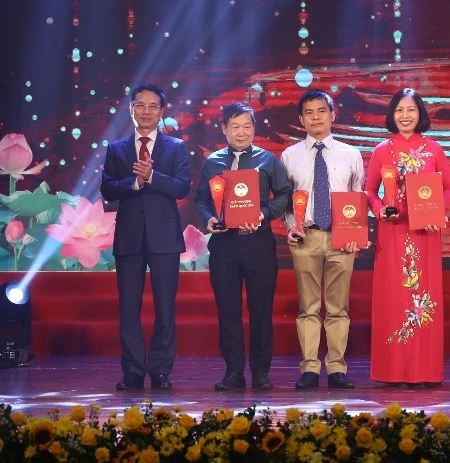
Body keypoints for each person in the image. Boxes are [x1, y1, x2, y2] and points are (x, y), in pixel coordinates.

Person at [194, 102, 291, 391]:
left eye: (247, 126)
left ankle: (261, 372)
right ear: (224, 129)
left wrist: (263, 214)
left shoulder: (268, 160)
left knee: (261, 310)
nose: (241, 132)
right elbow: (201, 199)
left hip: (258, 244)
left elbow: (284, 194)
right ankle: (233, 372)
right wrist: (209, 218)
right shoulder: (213, 162)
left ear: (254, 129)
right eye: (235, 126)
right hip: (224, 245)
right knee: (228, 311)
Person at [100, 84, 191, 391]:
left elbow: (182, 187)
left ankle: (161, 371)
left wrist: (152, 177)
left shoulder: (176, 147)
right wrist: (135, 183)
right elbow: (107, 189)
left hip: (164, 237)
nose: (147, 111)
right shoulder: (117, 148)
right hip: (129, 237)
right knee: (129, 309)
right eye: (141, 105)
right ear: (131, 109)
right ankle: (133, 372)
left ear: (162, 111)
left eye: (153, 106)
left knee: (165, 309)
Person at [364, 88, 450, 386]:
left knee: (422, 299)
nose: (405, 116)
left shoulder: (434, 149)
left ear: (420, 114)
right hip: (393, 232)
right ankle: (395, 372)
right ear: (392, 114)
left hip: (424, 234)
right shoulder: (382, 150)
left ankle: (424, 371)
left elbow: (449, 189)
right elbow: (369, 191)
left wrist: (438, 211)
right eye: (400, 110)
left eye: (411, 110)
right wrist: (380, 209)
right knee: (394, 300)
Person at [280, 89, 366, 390]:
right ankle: (309, 368)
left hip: (342, 239)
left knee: (338, 307)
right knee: (309, 307)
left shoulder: (351, 154)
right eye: (309, 113)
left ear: (332, 114)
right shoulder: (289, 155)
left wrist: (355, 234)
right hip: (306, 237)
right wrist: (291, 226)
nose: (315, 117)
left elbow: (358, 195)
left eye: (321, 111)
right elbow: (284, 199)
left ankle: (337, 368)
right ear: (301, 119)